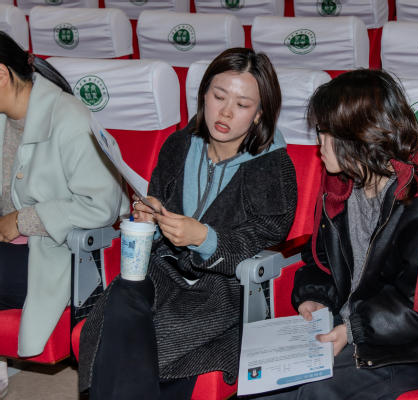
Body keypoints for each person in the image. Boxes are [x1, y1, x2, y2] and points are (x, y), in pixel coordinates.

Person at [254, 69, 418, 399]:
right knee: (263, 383)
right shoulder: (342, 186)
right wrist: (316, 297)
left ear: (361, 136)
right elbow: (321, 259)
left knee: (316, 392)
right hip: (353, 325)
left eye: (327, 133)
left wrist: (351, 330)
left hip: (413, 349)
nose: (319, 143)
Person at [79, 48, 298, 399]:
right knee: (120, 298)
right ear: (203, 95)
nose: (225, 112)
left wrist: (204, 238)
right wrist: (149, 218)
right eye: (218, 96)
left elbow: (264, 239)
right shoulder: (179, 145)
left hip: (223, 288)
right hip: (164, 270)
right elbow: (157, 205)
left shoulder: (273, 167)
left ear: (259, 114)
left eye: (242, 105)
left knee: (136, 346)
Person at [0, 32, 129, 398]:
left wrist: (21, 220)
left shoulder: (70, 118)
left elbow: (102, 204)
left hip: (59, 254)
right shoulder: (4, 117)